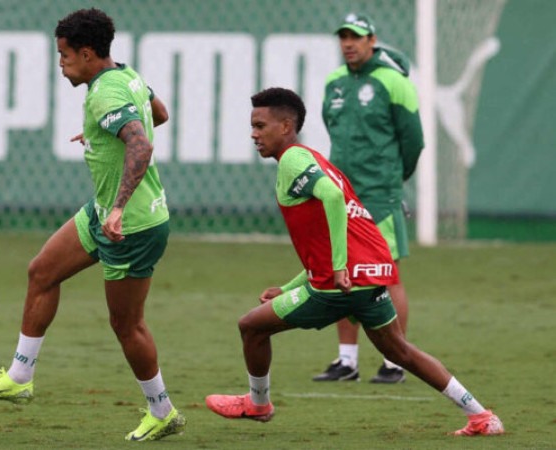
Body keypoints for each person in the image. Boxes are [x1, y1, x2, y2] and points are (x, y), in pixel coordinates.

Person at [204, 87, 503, 437]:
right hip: (370, 275)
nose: (254, 134)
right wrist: (288, 288)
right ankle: (481, 416)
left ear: (286, 126)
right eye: (252, 126)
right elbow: (330, 236)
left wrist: (340, 268)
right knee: (401, 351)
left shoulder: (292, 160)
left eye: (260, 125)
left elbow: (331, 201)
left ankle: (258, 404)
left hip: (340, 284)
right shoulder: (317, 161)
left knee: (251, 327)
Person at [0, 8, 186, 442]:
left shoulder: (105, 94)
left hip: (133, 224)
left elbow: (140, 144)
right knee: (42, 272)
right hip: (103, 212)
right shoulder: (126, 75)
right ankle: (20, 377)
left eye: (64, 55)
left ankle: (163, 410)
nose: (60, 62)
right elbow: (158, 113)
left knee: (126, 325)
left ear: (87, 54)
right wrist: (102, 134)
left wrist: (119, 207)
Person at [314, 13, 425, 383]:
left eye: (356, 37)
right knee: (343, 272)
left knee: (387, 273)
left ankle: (396, 361)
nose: (348, 43)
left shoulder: (394, 83)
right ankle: (347, 361)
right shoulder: (334, 82)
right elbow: (332, 127)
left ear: (372, 40)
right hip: (342, 193)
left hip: (380, 193)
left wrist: (394, 179)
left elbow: (413, 140)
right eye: (343, 36)